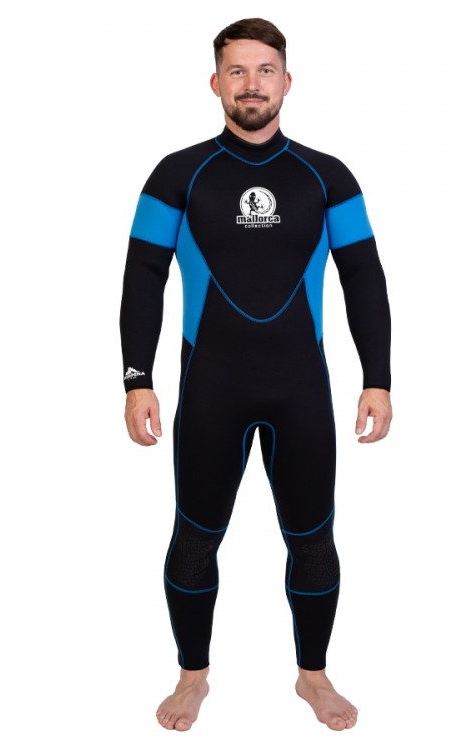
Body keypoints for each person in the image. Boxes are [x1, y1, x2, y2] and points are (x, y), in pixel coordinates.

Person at [120, 18, 392, 732]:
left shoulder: (327, 177)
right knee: (194, 537)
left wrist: (378, 377)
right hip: (211, 389)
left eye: (265, 70)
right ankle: (192, 677)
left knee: (313, 539)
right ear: (215, 83)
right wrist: (137, 378)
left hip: (301, 391)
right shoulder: (177, 174)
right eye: (237, 71)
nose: (251, 84)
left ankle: (313, 675)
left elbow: (363, 276)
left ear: (287, 82)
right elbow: (143, 275)